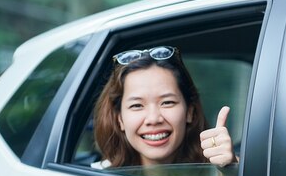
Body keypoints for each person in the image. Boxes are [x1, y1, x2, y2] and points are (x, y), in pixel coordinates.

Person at [92, 45, 237, 169]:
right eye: (137, 105)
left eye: (167, 102)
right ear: (120, 119)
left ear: (190, 112)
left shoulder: (219, 171)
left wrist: (231, 170)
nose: (154, 119)